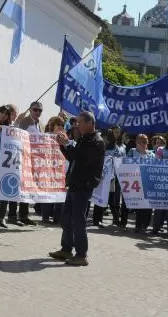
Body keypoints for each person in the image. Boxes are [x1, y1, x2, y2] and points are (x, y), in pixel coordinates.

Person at [48, 111, 105, 267]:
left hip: (83, 185)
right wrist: (62, 145)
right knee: (66, 218)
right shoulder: (83, 139)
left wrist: (67, 144)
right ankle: (66, 249)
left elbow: (82, 159)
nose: (76, 125)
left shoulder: (97, 141)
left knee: (78, 220)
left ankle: (81, 255)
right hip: (74, 183)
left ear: (90, 123)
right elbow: (73, 157)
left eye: (80, 122)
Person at [11, 101, 43, 225]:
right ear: (30, 109)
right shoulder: (25, 121)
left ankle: (24, 214)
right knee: (16, 185)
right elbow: (15, 133)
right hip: (21, 157)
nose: (38, 112)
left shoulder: (38, 124)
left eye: (40, 110)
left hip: (31, 159)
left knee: (27, 187)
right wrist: (18, 121)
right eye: (35, 110)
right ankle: (12, 215)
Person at [40, 117, 67, 225]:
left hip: (60, 170)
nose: (61, 127)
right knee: (47, 193)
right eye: (58, 125)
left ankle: (58, 218)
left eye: (62, 125)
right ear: (53, 126)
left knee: (60, 194)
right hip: (47, 169)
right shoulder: (46, 136)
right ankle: (45, 217)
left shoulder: (64, 137)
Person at [128, 133, 154, 233]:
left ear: (147, 142)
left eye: (145, 141)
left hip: (148, 182)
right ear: (136, 142)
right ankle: (138, 226)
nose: (142, 143)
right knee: (139, 206)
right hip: (136, 182)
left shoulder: (151, 154)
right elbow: (125, 164)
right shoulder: (132, 152)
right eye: (140, 141)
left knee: (148, 206)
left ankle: (145, 225)